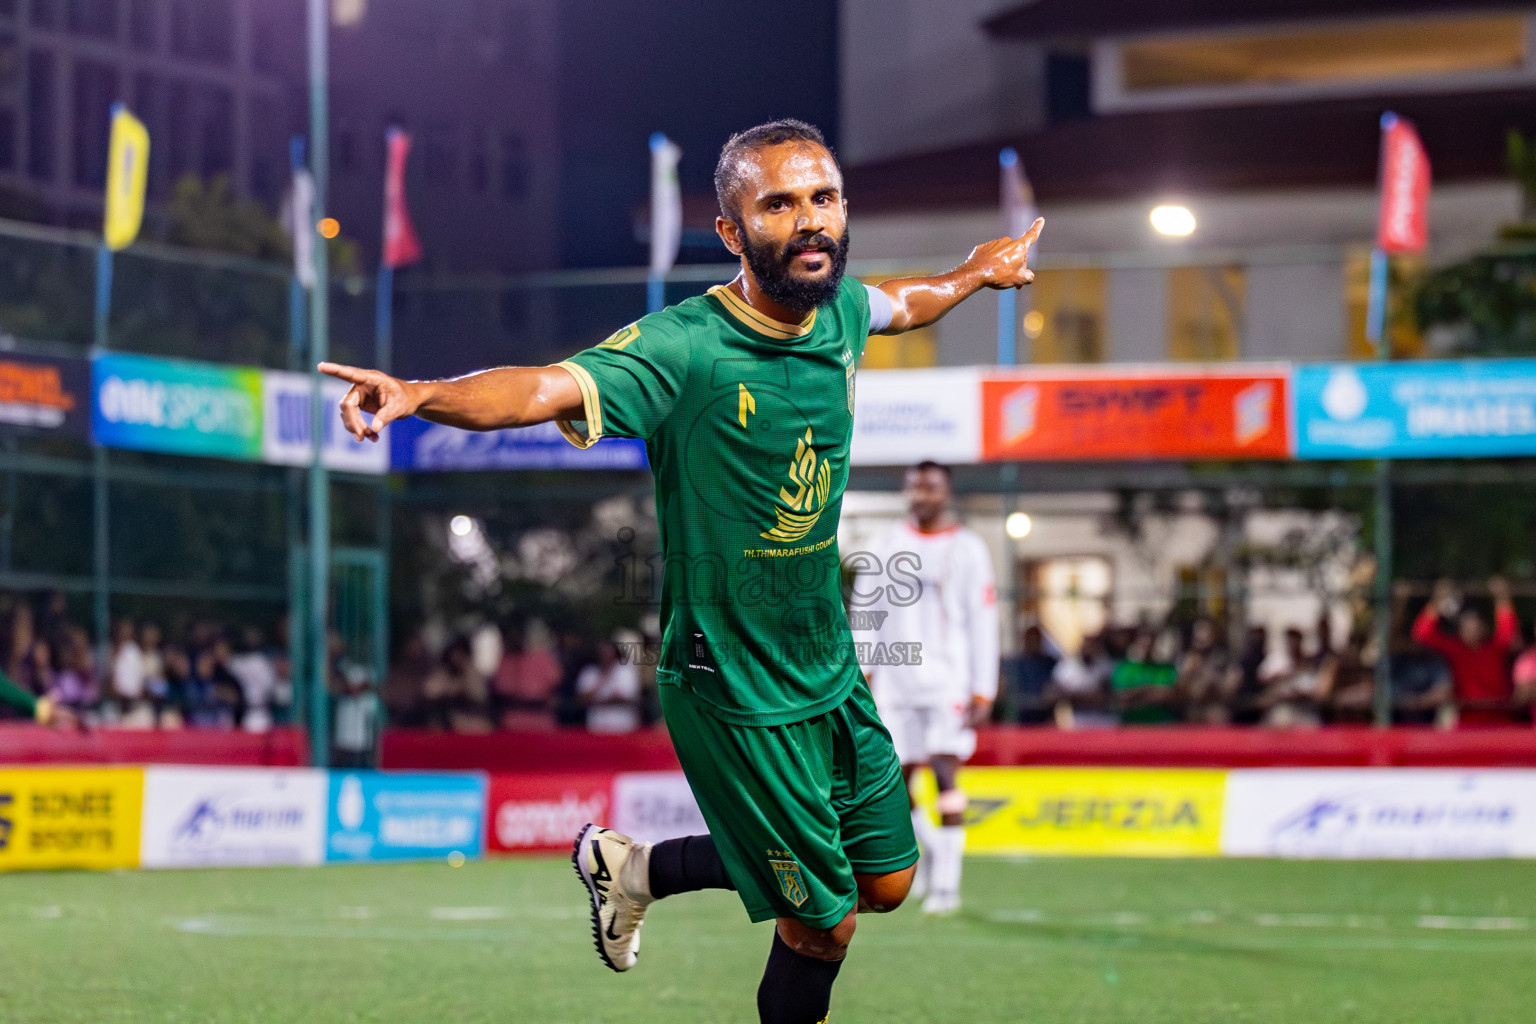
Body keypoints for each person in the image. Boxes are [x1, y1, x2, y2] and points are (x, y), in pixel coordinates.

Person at [321, 117, 1042, 1024]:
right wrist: (422, 394)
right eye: (779, 204)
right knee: (823, 925)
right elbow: (544, 387)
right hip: (731, 676)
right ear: (734, 233)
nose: (810, 220)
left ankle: (638, 870)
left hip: (827, 664)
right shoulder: (683, 347)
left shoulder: (843, 313)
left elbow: (906, 299)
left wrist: (978, 271)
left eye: (823, 198)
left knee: (889, 881)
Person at [852, 461, 998, 914]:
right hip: (894, 683)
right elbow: (864, 614)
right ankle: (930, 852)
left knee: (945, 772)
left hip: (947, 682)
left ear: (946, 493)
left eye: (931, 487)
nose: (922, 495)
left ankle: (946, 887)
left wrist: (983, 688)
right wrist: (864, 674)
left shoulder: (968, 549)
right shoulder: (885, 543)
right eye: (915, 487)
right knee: (894, 786)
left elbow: (983, 619)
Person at [1411, 577, 1520, 726]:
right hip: (1468, 720)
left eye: (1476, 626)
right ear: (1460, 630)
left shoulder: (1495, 648)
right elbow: (1423, 634)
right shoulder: (1456, 649)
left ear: (1484, 628)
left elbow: (1508, 631)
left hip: (1500, 718)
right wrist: (1438, 600)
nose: (1472, 631)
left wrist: (1502, 597)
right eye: (1467, 627)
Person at [576, 636, 643, 734]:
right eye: (602, 652)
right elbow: (581, 699)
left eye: (608, 651)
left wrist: (596, 700)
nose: (605, 655)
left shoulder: (625, 671)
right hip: (596, 727)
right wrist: (601, 682)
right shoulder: (589, 672)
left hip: (622, 727)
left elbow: (626, 698)